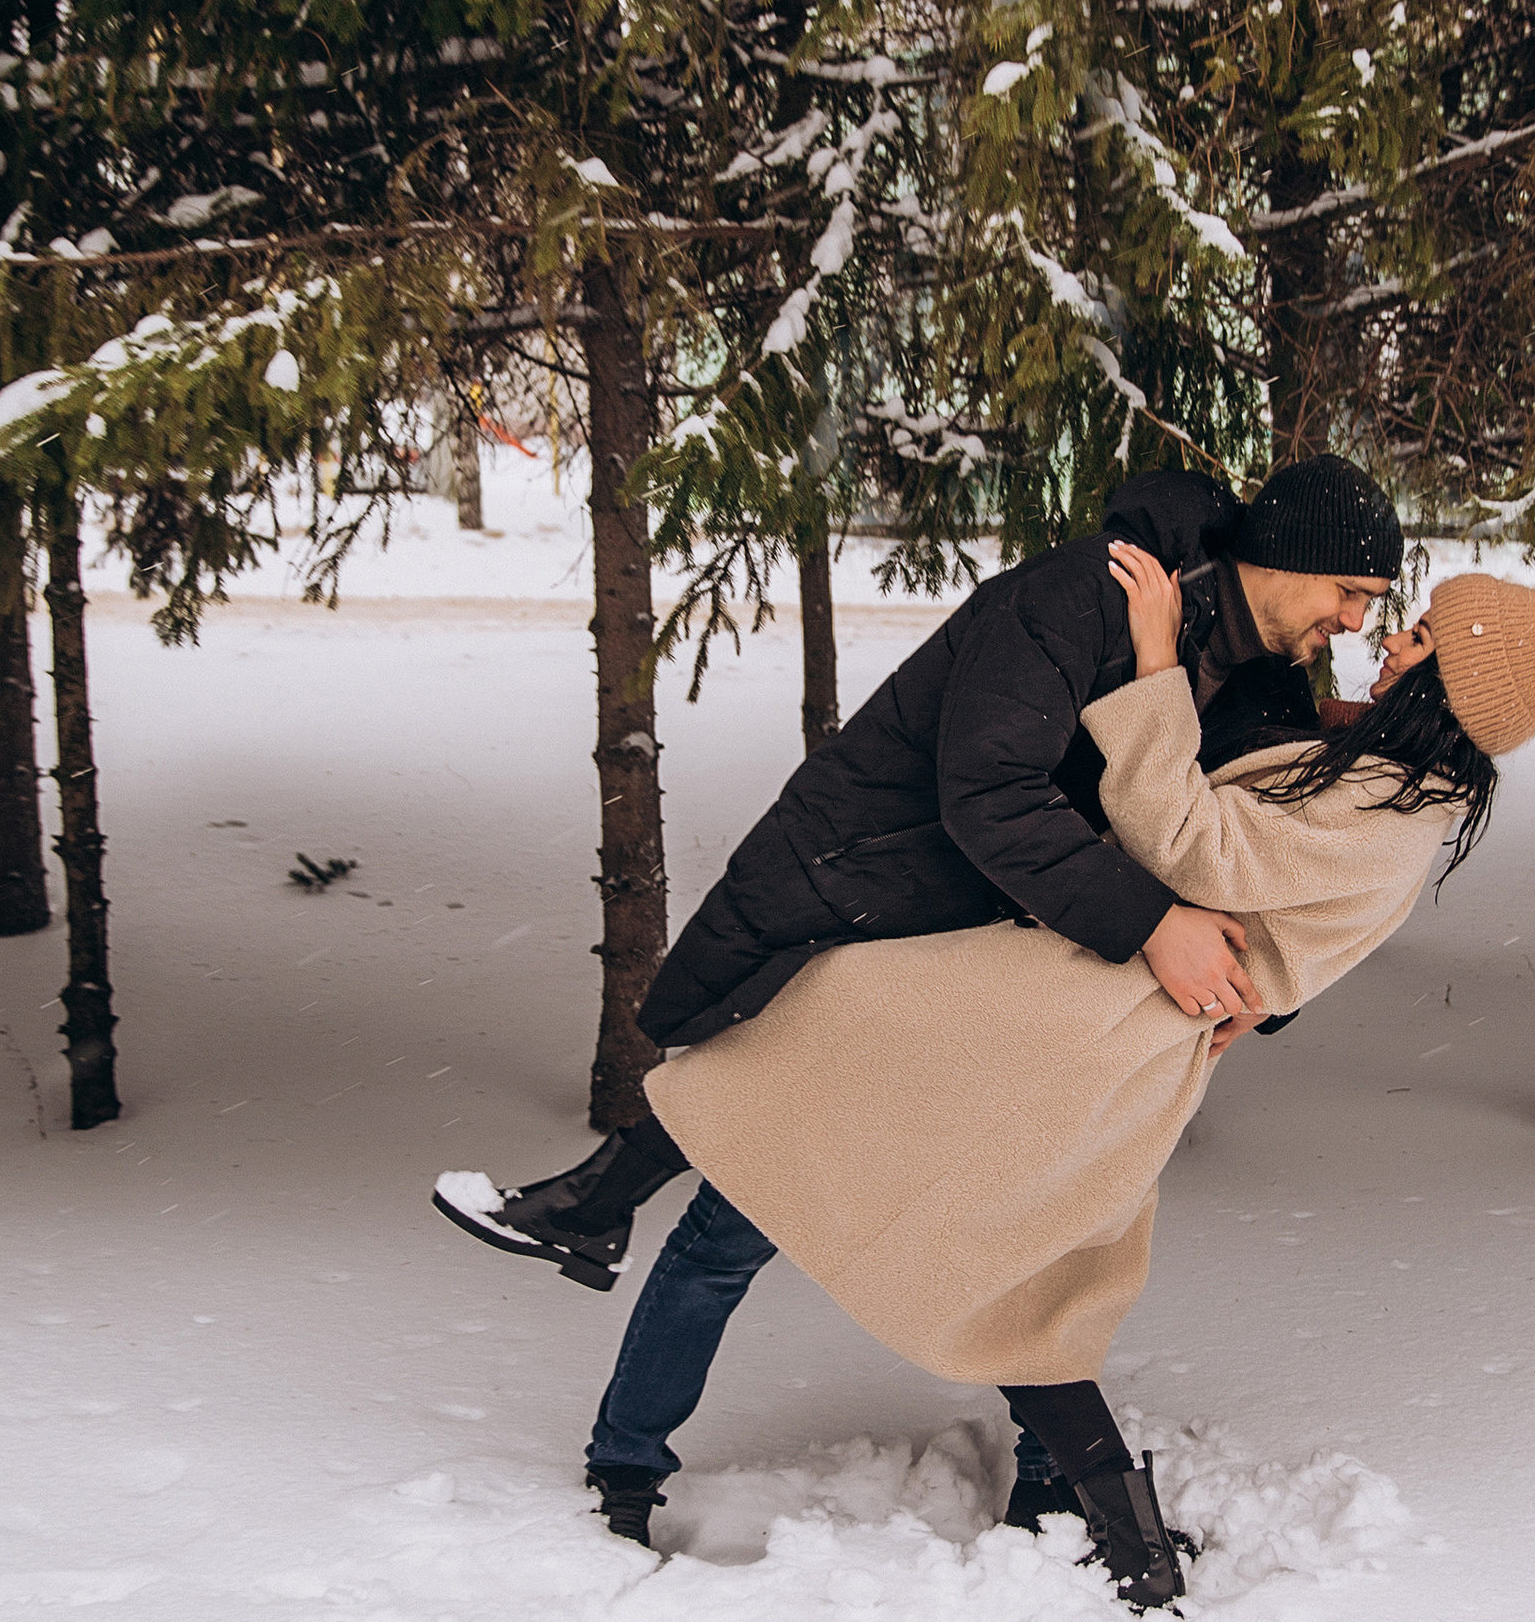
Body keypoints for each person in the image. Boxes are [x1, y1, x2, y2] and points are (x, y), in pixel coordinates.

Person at [504, 553, 1535, 1610]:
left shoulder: (1392, 805)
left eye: (1416, 637)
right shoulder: (1378, 773)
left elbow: (1190, 841)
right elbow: (1276, 907)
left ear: (1457, 686)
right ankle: (1086, 1516)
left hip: (1080, 1016)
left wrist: (1157, 658)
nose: (1385, 642)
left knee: (809, 1092)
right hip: (1100, 1018)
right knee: (1019, 1260)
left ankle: (620, 1401)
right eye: (1383, 613)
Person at [436, 455, 1408, 1290]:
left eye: (1370, 607)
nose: (1355, 627)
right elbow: (990, 789)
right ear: (1279, 555)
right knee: (770, 1058)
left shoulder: (1261, 673)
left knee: (790, 1090)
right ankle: (610, 1306)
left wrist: (1370, 748)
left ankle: (597, 1219)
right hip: (883, 858)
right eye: (1346, 594)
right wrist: (1149, 923)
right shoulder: (1083, 594)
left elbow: (1261, 837)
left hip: (1003, 906)